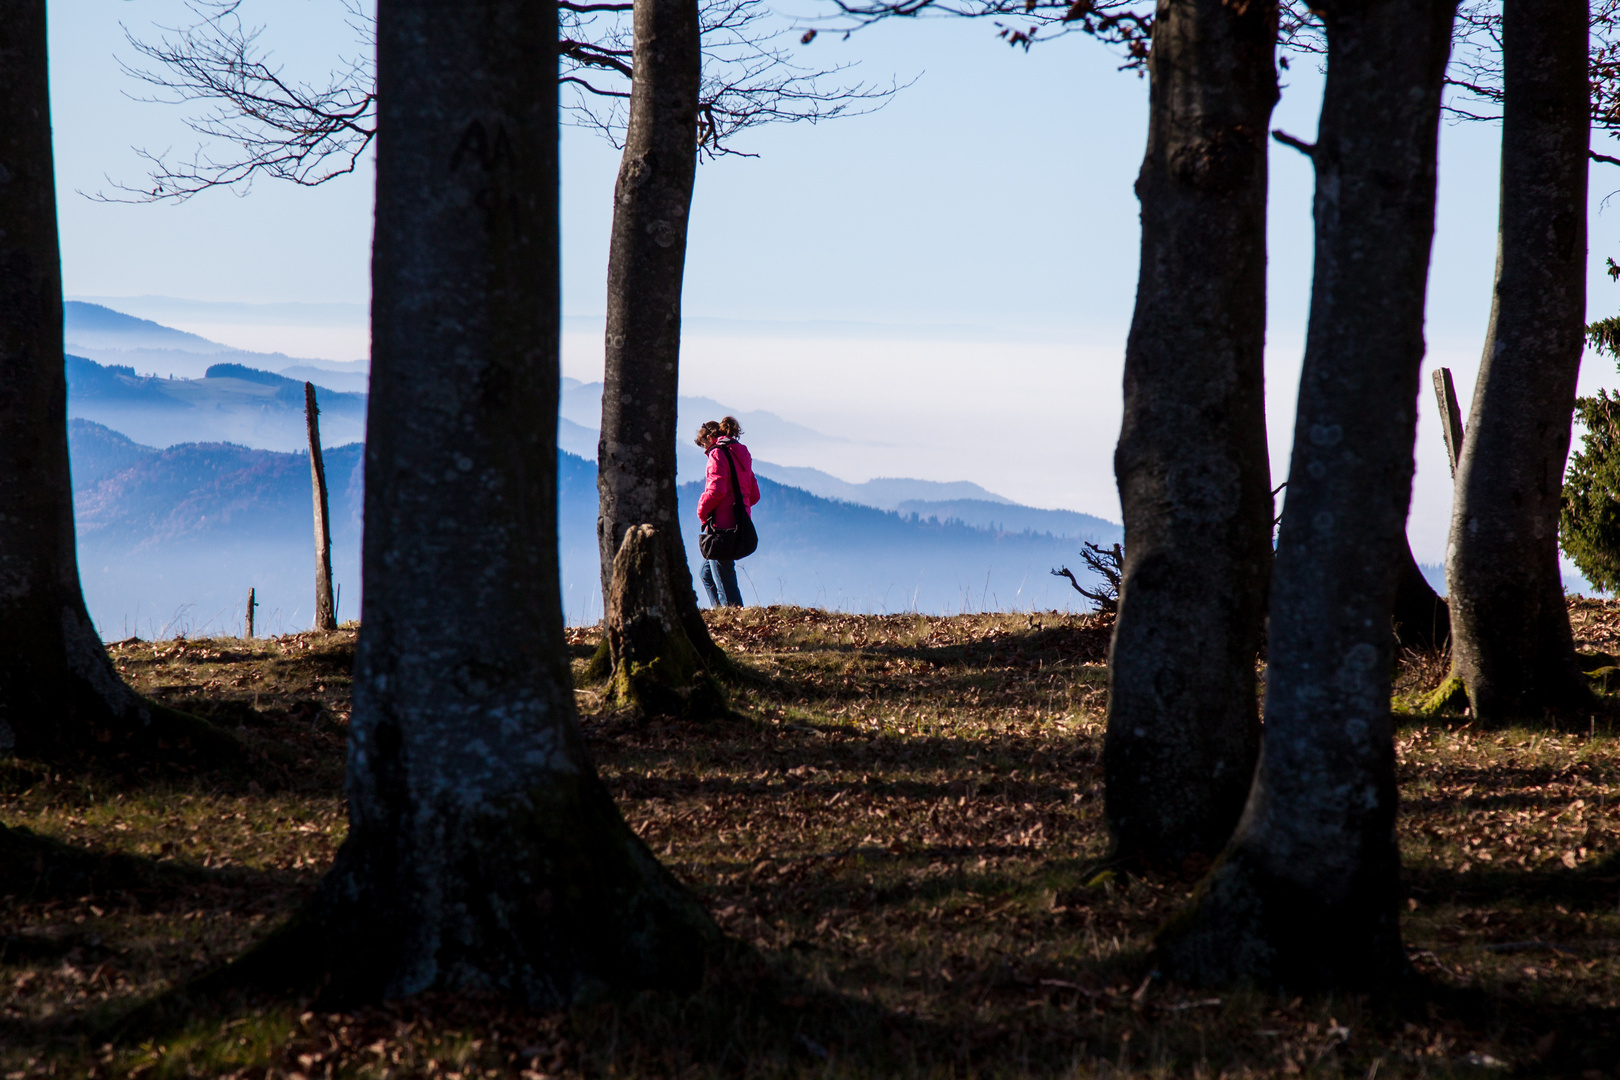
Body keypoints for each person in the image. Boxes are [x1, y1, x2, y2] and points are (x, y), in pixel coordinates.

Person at [694, 416, 760, 607]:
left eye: (704, 445)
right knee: (706, 573)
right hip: (741, 523)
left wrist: (702, 511)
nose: (705, 451)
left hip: (721, 526)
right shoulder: (742, 452)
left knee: (725, 580)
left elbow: (716, 490)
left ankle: (732, 618)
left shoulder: (716, 454)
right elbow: (754, 494)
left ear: (709, 438)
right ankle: (720, 613)